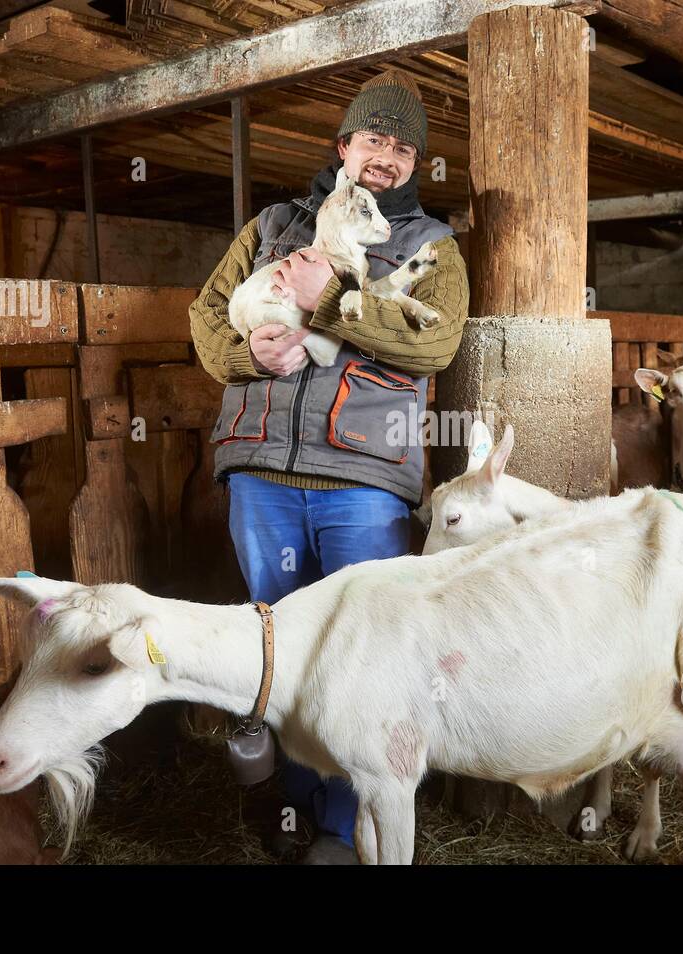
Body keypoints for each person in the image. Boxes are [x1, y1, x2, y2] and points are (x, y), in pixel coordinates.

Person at [189, 69, 470, 863]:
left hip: (363, 485)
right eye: (374, 138)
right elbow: (206, 317)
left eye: (404, 147)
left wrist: (328, 301)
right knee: (279, 652)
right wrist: (245, 352)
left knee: (362, 661)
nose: (387, 156)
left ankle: (346, 830)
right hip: (259, 476)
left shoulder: (430, 247)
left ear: (415, 164)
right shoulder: (274, 223)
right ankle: (296, 810)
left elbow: (436, 340)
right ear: (344, 145)